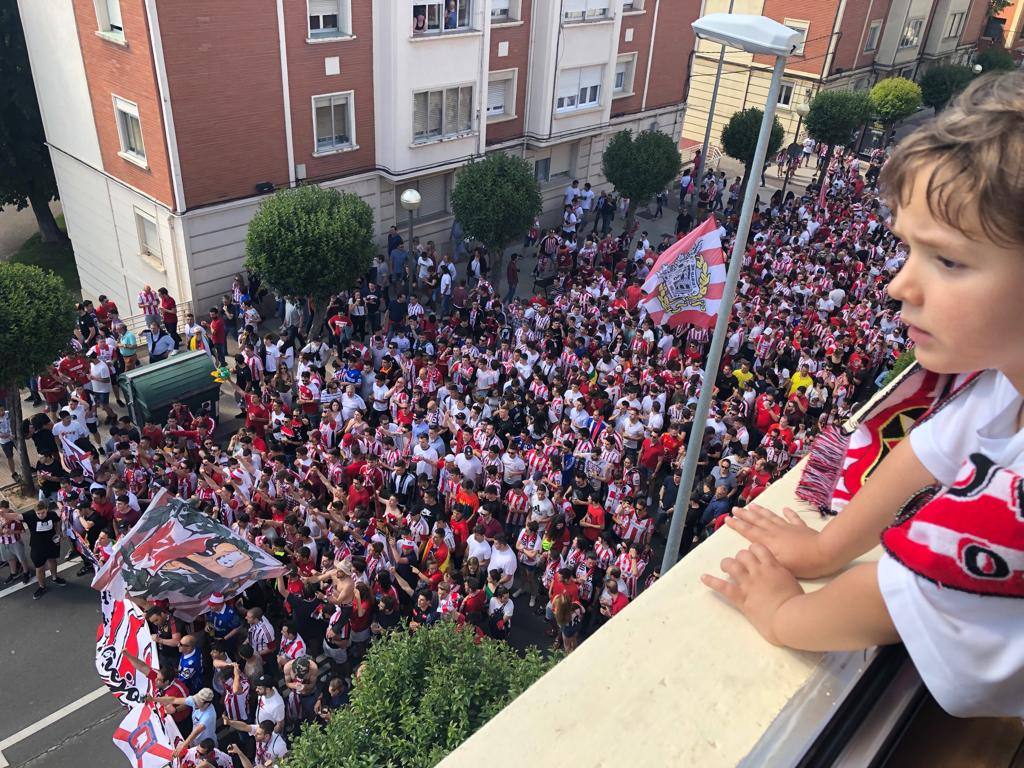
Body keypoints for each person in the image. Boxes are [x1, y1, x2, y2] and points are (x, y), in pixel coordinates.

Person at [705, 72, 1024, 719]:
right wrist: (826, 547)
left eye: (948, 261)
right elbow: (928, 451)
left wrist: (784, 612)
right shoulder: (1003, 382)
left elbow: (896, 592)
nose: (898, 286)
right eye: (908, 250)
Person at [1, 502, 65, 599]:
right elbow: (16, 516)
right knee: (39, 568)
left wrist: (58, 532)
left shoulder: (52, 514)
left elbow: (58, 521)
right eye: (38, 513)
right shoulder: (30, 515)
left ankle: (55, 577)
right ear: (34, 512)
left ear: (46, 509)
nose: (40, 515)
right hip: (37, 547)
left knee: (53, 561)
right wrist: (3, 514)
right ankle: (42, 587)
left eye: (43, 512)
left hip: (52, 544)